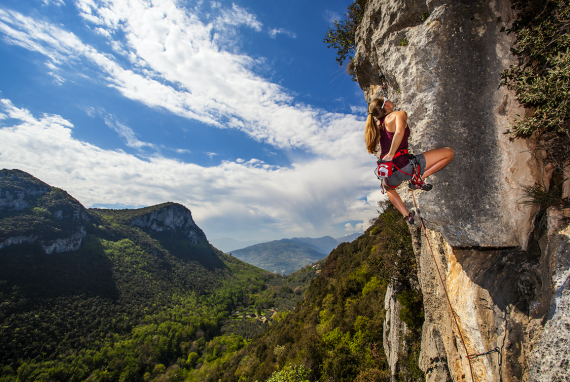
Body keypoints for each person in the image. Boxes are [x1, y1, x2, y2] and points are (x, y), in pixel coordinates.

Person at [365, 97, 454, 223]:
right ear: (386, 106)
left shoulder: (377, 125)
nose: (390, 99)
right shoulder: (399, 114)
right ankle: (417, 179)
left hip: (389, 172)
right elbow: (399, 132)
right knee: (449, 153)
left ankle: (407, 216)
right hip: (405, 166)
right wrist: (391, 153)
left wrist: (389, 156)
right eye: (386, 99)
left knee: (389, 188)